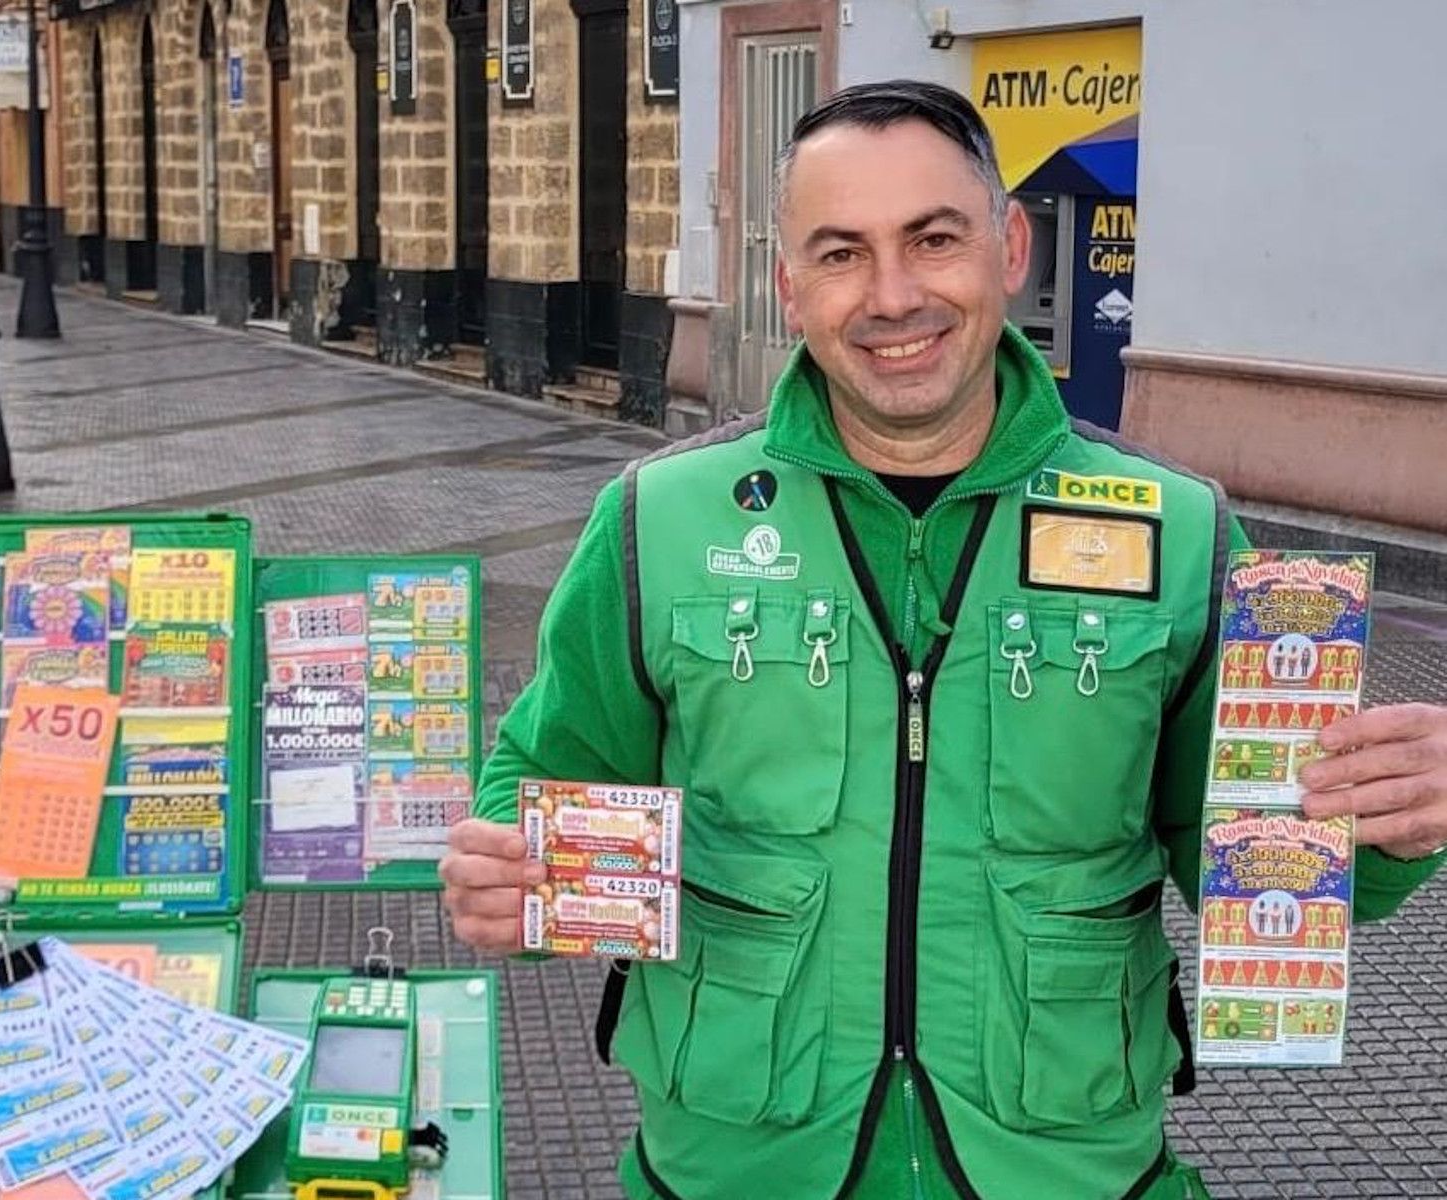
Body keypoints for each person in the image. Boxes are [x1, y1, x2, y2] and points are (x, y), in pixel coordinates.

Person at [440, 81, 1447, 1200]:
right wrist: (508, 883)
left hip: (1065, 1167)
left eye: (933, 238)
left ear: (1008, 245)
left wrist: (1393, 821)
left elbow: (1270, 870)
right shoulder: (658, 521)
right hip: (739, 1165)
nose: (893, 295)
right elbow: (538, 785)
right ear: (789, 284)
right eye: (840, 253)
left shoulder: (1183, 532)